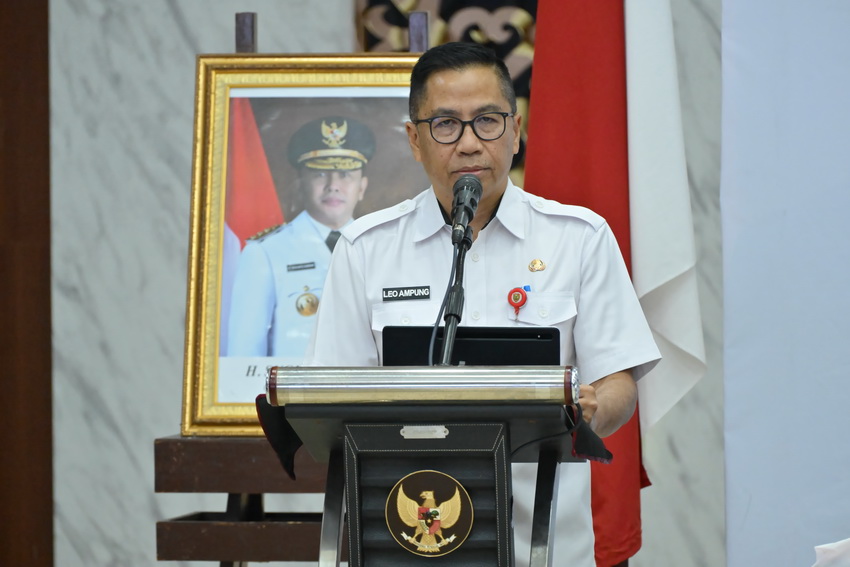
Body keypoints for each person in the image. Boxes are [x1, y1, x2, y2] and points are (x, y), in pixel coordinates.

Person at [306, 43, 660, 566]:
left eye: (488, 121)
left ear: (515, 131)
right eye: (445, 124)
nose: (470, 144)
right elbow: (334, 399)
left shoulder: (578, 238)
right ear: (414, 140)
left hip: (545, 541)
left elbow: (619, 382)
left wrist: (589, 410)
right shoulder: (365, 249)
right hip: (408, 538)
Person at [226, 116, 375, 359]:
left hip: (368, 393)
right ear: (300, 183)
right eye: (320, 174)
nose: (333, 185)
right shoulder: (264, 252)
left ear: (362, 187)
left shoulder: (382, 246)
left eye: (345, 174)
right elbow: (244, 353)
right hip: (295, 395)